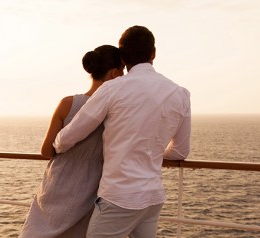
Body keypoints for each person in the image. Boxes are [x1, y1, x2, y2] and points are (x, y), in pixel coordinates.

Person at [53, 25, 191, 238]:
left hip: (119, 197)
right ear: (153, 53)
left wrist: (57, 144)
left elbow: (72, 134)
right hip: (152, 198)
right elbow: (180, 151)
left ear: (123, 57)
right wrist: (150, 153)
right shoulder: (180, 93)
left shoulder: (113, 88)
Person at [20, 45, 125, 238]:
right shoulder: (117, 111)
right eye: (123, 71)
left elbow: (46, 151)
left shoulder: (67, 103)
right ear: (114, 73)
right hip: (91, 190)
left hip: (57, 183)